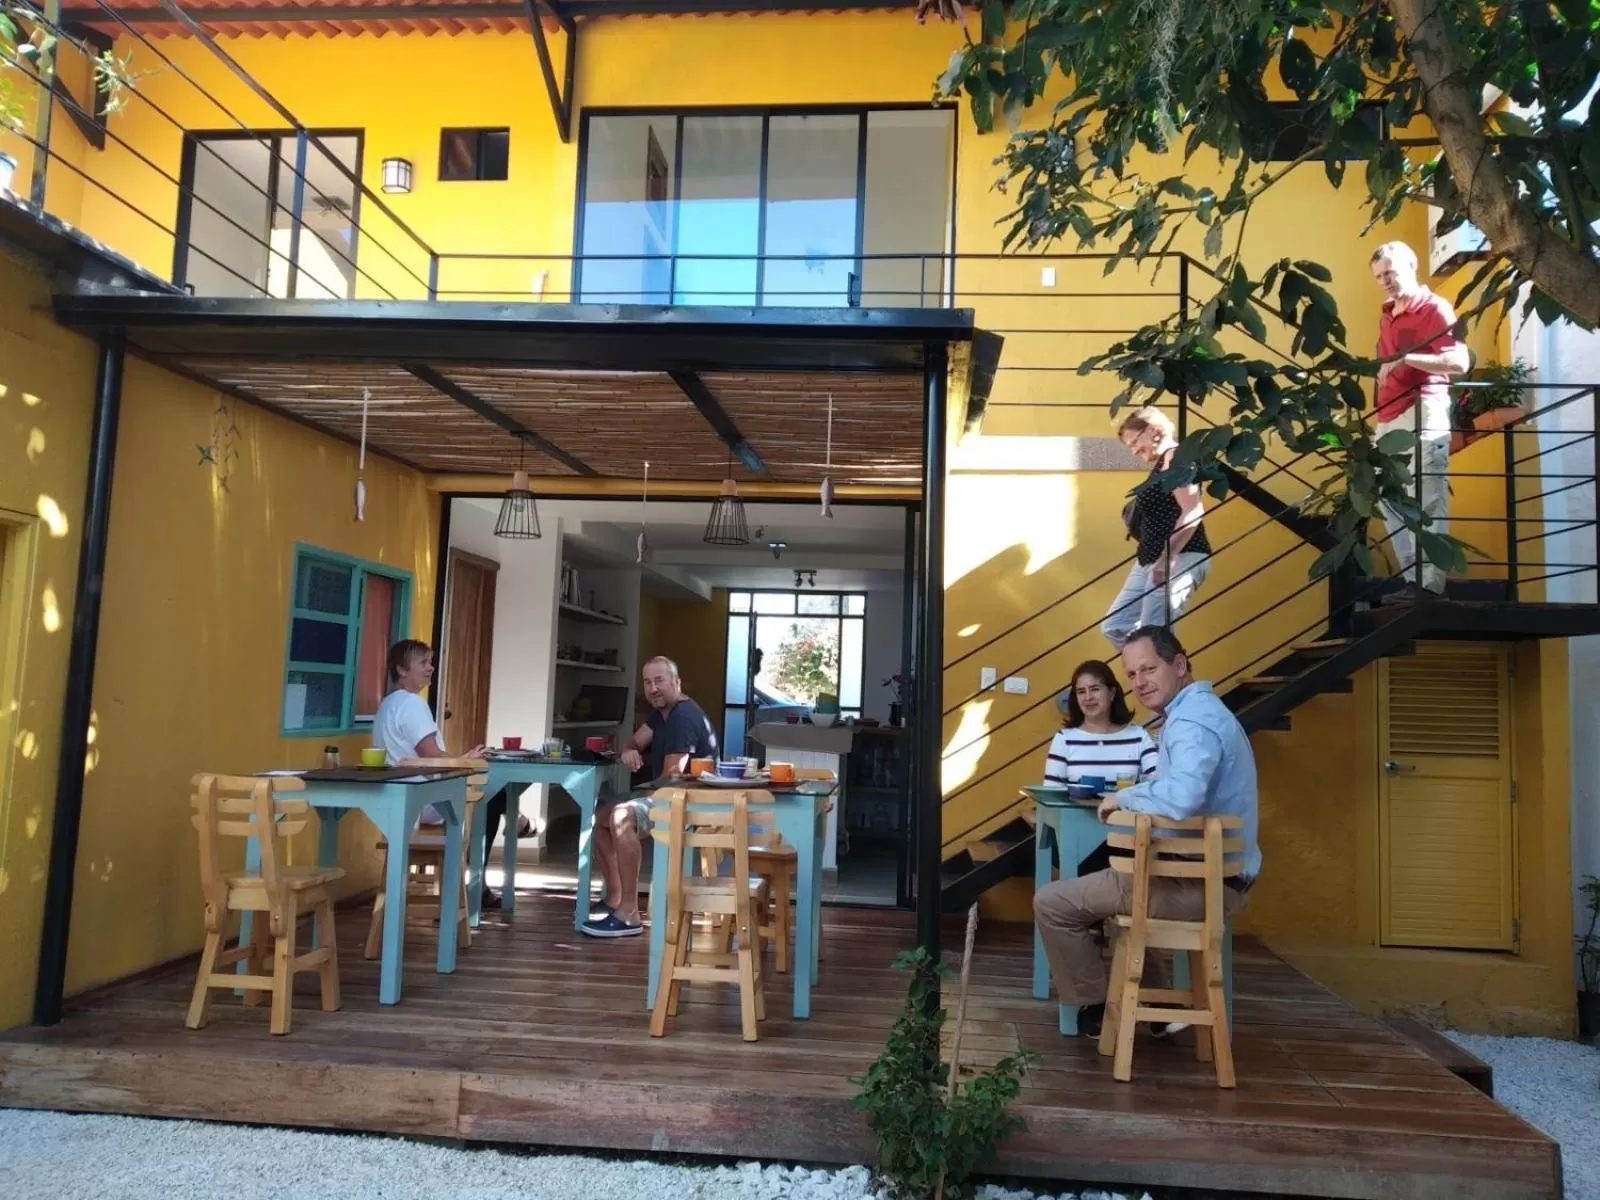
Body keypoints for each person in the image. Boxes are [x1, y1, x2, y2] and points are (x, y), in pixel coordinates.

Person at [1033, 625, 1260, 1038]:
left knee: (1053, 903)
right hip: (1210, 876)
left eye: (1148, 669)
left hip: (1201, 884)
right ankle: (1152, 1002)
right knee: (1119, 882)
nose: (1140, 683)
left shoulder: (1192, 721)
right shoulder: (1201, 711)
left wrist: (1125, 799)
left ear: (1179, 664)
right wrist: (1138, 793)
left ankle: (1100, 1008)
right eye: (1133, 674)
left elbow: (1184, 794)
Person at [582, 655, 718, 939]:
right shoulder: (661, 715)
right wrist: (629, 750)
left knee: (621, 816)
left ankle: (629, 914)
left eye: (659, 681)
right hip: (667, 793)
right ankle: (616, 899)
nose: (653, 688)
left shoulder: (683, 717)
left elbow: (671, 777)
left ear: (676, 683)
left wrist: (641, 791)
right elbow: (632, 742)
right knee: (599, 817)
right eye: (647, 682)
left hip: (687, 803)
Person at [1370, 240, 1471, 598]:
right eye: (1380, 275)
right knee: (1389, 498)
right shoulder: (1387, 312)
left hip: (1423, 409)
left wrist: (1407, 359)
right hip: (1387, 416)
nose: (1386, 280)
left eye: (1391, 272)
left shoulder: (1435, 308)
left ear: (1412, 266)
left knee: (1426, 495)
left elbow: (1460, 363)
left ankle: (1429, 585)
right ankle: (1412, 579)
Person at [371, 640, 500, 906]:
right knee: (492, 795)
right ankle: (477, 885)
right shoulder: (412, 704)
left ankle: (520, 825)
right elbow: (429, 752)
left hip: (395, 800)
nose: (430, 668)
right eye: (423, 663)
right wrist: (462, 760)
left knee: (487, 793)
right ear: (401, 670)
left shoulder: (388, 704)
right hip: (422, 799)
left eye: (430, 662)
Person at [1102, 406, 1212, 650]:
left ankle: (1167, 679)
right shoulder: (1160, 465)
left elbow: (1192, 512)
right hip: (1148, 559)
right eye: (1130, 447)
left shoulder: (1176, 457)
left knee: (1155, 637)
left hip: (1178, 556)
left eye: (1134, 442)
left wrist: (1166, 561)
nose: (1134, 450)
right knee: (1115, 625)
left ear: (1152, 430)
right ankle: (1152, 669)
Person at [1047, 660, 1158, 879]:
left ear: (1112, 692)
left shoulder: (1138, 735)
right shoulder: (1065, 739)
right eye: (1081, 692)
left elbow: (1157, 783)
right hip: (1076, 833)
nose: (1088, 698)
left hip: (1126, 832)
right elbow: (1051, 794)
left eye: (1095, 689)